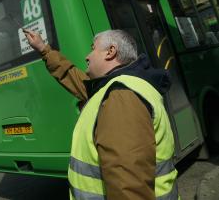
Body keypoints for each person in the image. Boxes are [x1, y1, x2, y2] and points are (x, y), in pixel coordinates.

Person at [23, 29, 178, 200]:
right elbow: (73, 77)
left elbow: (127, 184)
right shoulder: (113, 88)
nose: (87, 56)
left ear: (111, 52)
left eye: (93, 48)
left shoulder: (121, 95)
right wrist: (44, 49)